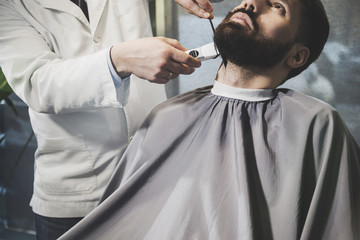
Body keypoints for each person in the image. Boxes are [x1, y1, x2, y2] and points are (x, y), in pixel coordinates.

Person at [59, 0, 360, 239]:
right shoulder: (167, 115)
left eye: (276, 6)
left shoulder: (317, 124)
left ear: (297, 56)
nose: (250, 3)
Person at [0, 0, 216, 239]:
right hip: (79, 197)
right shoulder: (9, 6)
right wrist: (119, 60)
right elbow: (38, 83)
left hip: (157, 173)